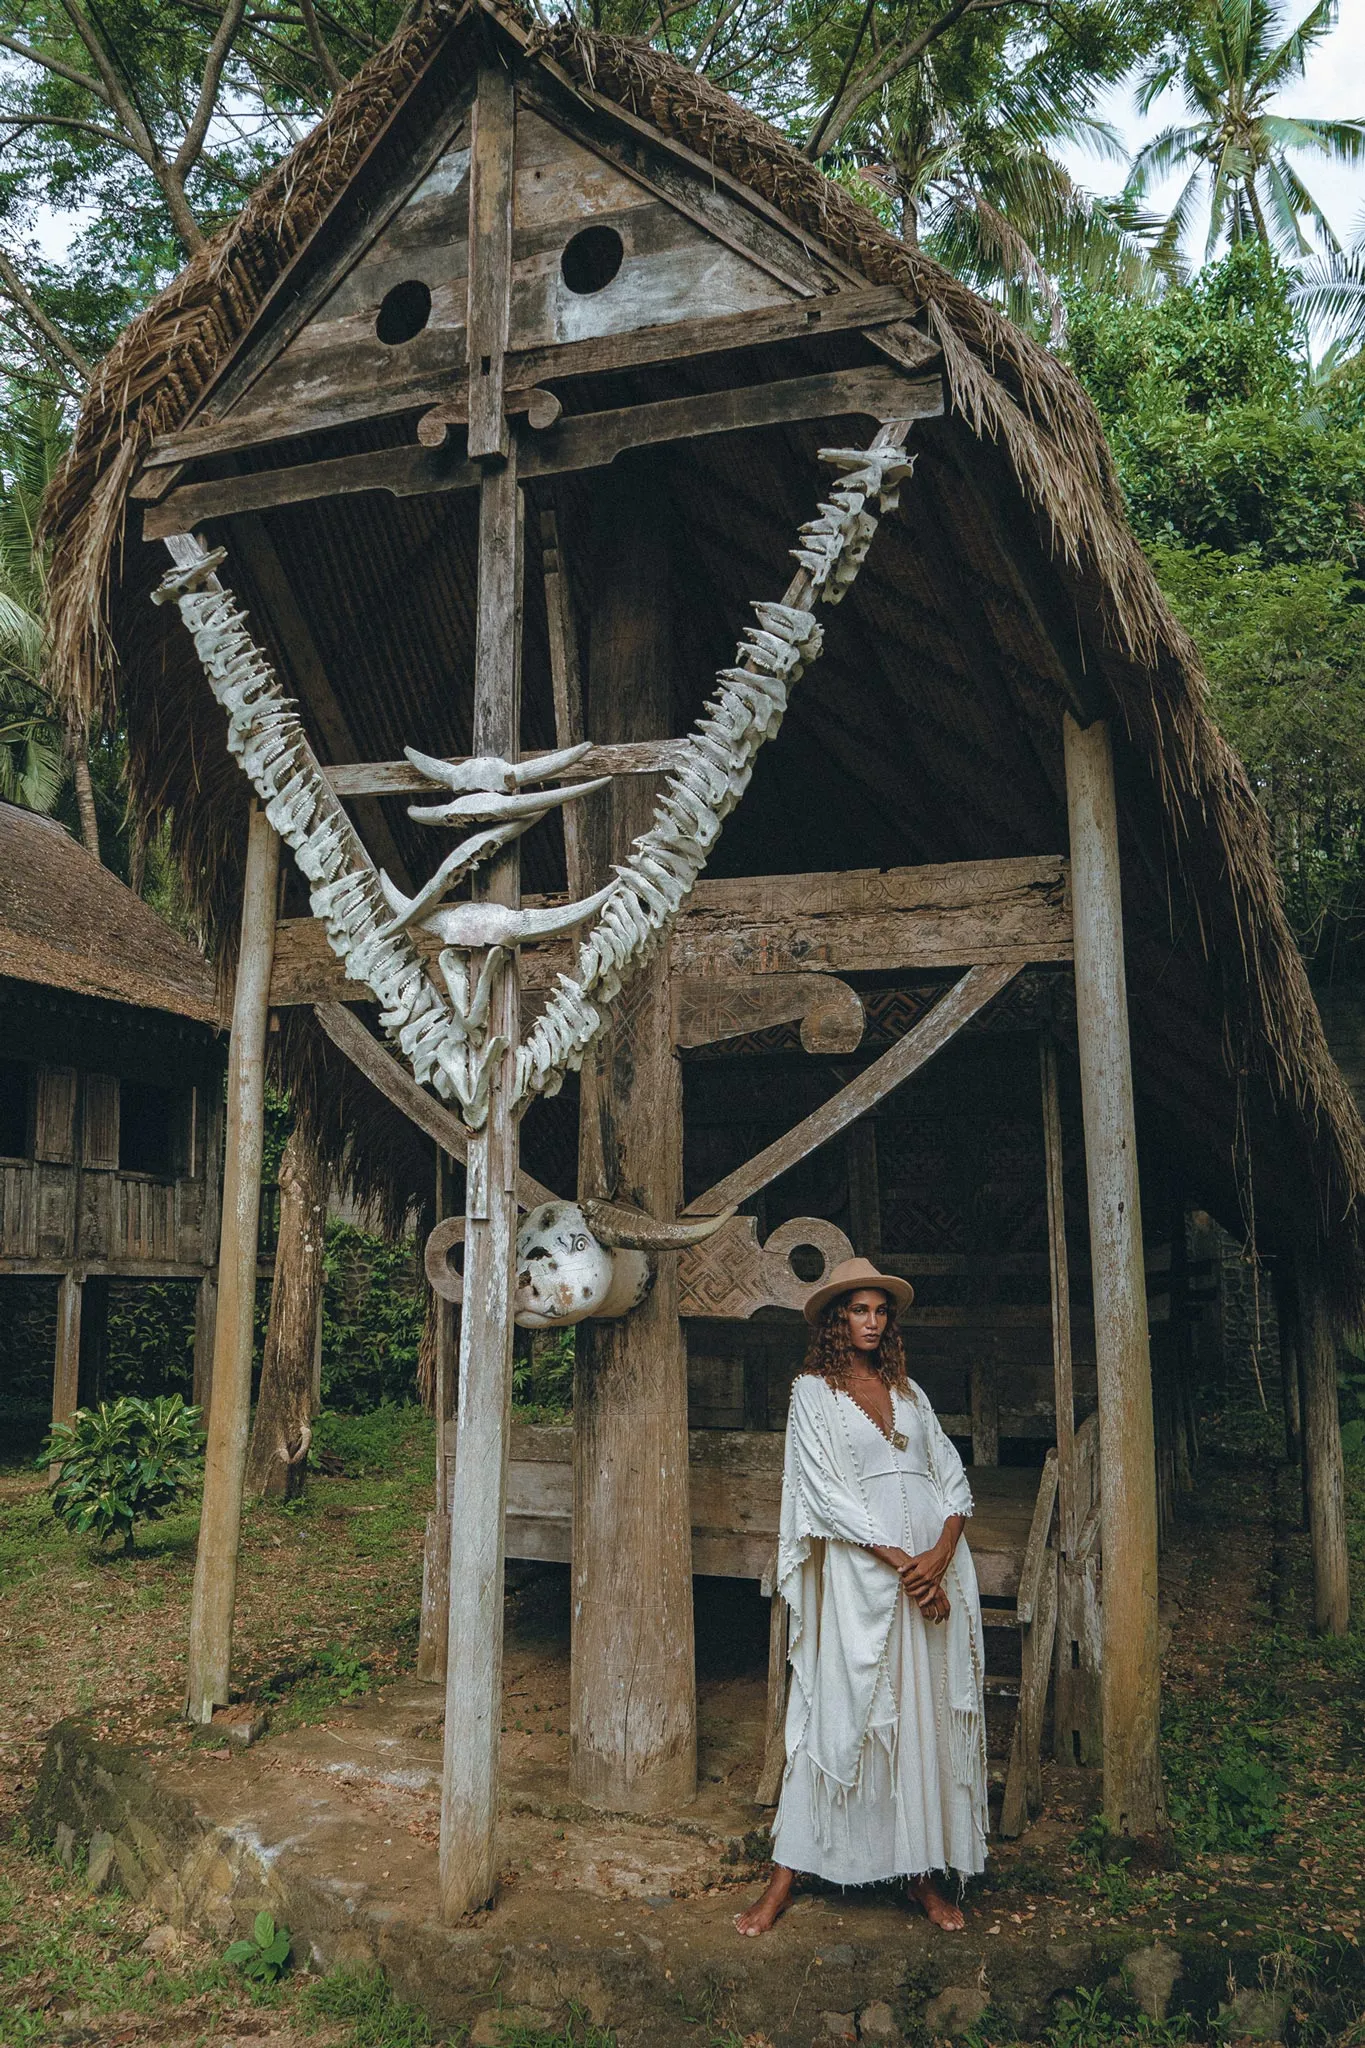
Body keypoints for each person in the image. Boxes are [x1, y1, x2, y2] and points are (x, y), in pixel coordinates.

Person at [736, 1257, 987, 1936]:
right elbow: (825, 1496)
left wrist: (937, 1562)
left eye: (880, 1311)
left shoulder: (910, 1392)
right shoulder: (812, 1393)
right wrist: (908, 1569)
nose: (871, 1322)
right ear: (835, 1320)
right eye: (858, 1310)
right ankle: (785, 1875)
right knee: (841, 1713)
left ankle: (921, 1876)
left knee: (921, 1716)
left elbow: (953, 1480)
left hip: (936, 1573)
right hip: (863, 1576)